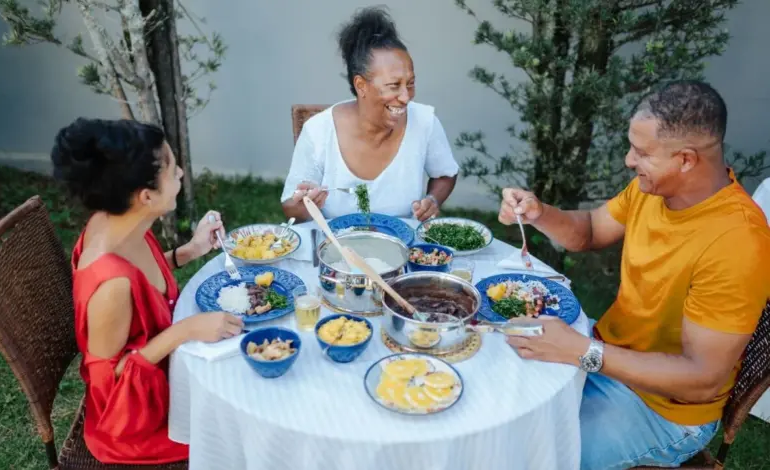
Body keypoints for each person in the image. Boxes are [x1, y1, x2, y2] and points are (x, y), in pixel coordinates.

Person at [498, 81, 770, 469]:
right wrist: (540, 212)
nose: (629, 160)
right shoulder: (653, 188)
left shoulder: (737, 242)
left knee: (538, 458)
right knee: (499, 389)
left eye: (641, 152)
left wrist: (582, 352)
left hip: (664, 410)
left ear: (686, 160)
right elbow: (590, 230)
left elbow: (703, 377)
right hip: (606, 354)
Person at [51, 118, 244, 464]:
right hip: (139, 422)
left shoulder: (117, 221)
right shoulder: (111, 285)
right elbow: (108, 382)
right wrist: (184, 331)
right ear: (146, 195)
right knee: (243, 432)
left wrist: (190, 250)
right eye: (172, 169)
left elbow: (144, 281)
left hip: (166, 375)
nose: (182, 173)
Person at [280, 6, 459, 222]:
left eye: (410, 83)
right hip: (336, 247)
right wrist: (304, 204)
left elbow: (445, 173)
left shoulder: (425, 122)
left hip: (402, 246)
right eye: (394, 85)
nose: (405, 96)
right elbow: (291, 208)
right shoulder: (319, 131)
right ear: (361, 85)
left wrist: (433, 199)